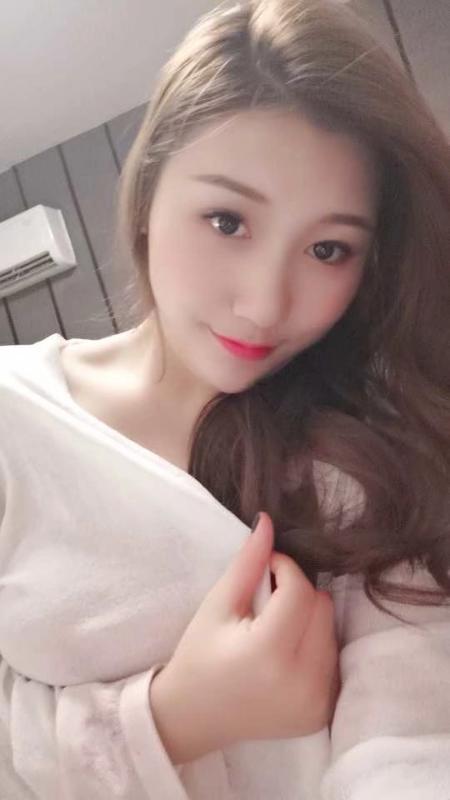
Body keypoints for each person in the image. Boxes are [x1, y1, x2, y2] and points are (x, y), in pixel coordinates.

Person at [1, 0, 449, 797]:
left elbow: (415, 733)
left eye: (327, 248)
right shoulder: (16, 418)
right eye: (227, 220)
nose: (266, 304)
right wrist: (175, 716)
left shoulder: (362, 454)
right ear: (148, 193)